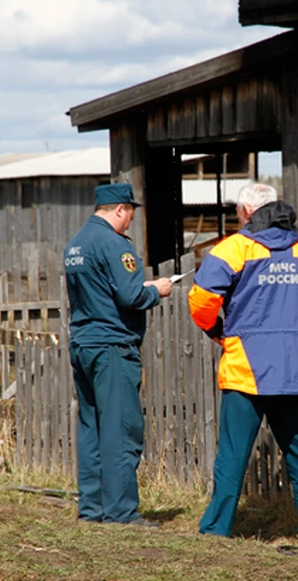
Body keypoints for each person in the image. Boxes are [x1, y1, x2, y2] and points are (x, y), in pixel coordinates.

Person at [188, 183, 298, 541]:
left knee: (232, 453)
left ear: (247, 212)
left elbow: (201, 301)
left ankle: (216, 531)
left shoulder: (233, 249)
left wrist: (219, 331)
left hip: (245, 369)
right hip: (294, 369)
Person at [64, 182, 173, 527]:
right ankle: (122, 512)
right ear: (120, 209)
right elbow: (130, 297)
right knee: (120, 429)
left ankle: (92, 509)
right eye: (130, 214)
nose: (130, 222)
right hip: (112, 346)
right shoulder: (113, 244)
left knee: (91, 427)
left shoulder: (75, 244)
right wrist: (157, 291)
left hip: (83, 343)